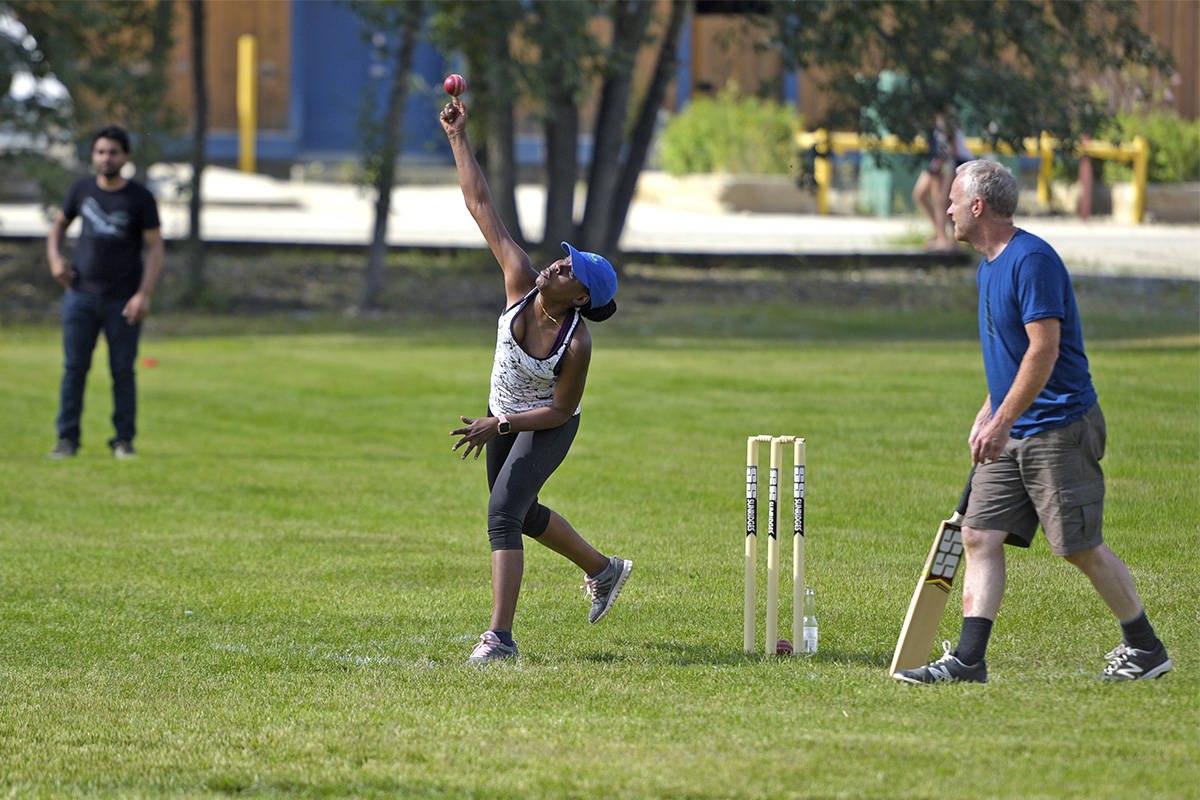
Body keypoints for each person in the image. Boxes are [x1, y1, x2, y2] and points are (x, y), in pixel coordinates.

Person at [894, 160, 1172, 684]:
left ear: (978, 206)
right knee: (978, 536)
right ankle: (969, 661)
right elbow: (1012, 353)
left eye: (953, 200)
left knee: (1079, 547)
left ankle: (1145, 648)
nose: (946, 208)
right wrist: (990, 411)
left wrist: (1004, 419)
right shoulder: (988, 265)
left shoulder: (1032, 260)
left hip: (1058, 426)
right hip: (1015, 425)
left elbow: (1044, 351)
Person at [439, 96, 632, 665]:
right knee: (518, 513)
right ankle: (604, 569)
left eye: (570, 271)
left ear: (580, 298)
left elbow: (557, 412)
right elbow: (481, 206)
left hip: (545, 425)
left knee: (502, 515)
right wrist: (457, 137)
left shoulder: (577, 342)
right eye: (564, 259)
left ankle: (499, 640)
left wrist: (498, 423)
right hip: (501, 418)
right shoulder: (522, 279)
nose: (558, 265)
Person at [47, 125, 164, 460]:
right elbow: (58, 225)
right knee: (74, 369)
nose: (106, 158)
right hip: (81, 295)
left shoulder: (139, 198)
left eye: (113, 152)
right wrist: (56, 258)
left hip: (123, 299)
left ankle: (123, 441)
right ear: (93, 156)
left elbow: (155, 248)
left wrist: (144, 293)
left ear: (125, 157)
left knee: (122, 371)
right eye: (100, 152)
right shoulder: (81, 190)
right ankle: (67, 440)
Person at [911, 112, 971, 252]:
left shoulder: (946, 121)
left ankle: (945, 238)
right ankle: (939, 232)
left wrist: (940, 162)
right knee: (920, 195)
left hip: (950, 162)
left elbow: (953, 149)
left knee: (941, 201)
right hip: (937, 161)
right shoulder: (930, 124)